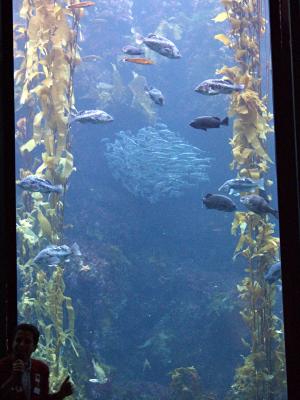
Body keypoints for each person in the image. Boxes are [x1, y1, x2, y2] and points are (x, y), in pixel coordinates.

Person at [0, 323, 74, 400]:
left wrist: (60, 394)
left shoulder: (42, 369)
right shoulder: (2, 365)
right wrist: (13, 378)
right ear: (12, 343)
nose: (22, 344)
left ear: (34, 347)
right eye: (18, 340)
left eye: (27, 341)